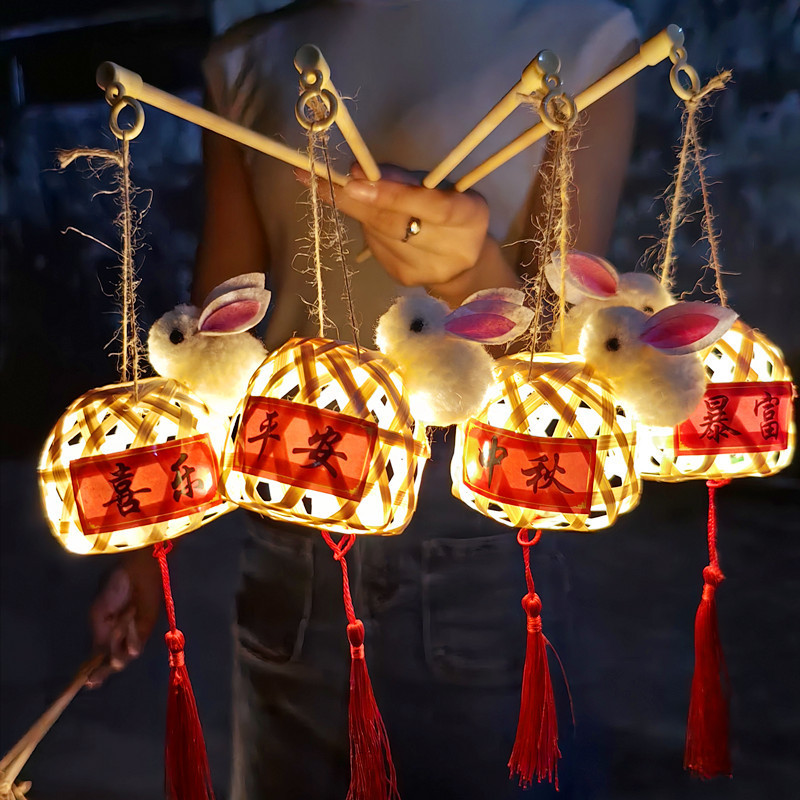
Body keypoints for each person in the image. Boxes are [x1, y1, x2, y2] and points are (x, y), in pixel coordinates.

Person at [90, 1, 638, 797]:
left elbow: (562, 354)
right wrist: (144, 538)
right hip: (289, 505)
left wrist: (465, 271)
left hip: (476, 508)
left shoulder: (584, 40)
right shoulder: (247, 59)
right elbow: (215, 338)